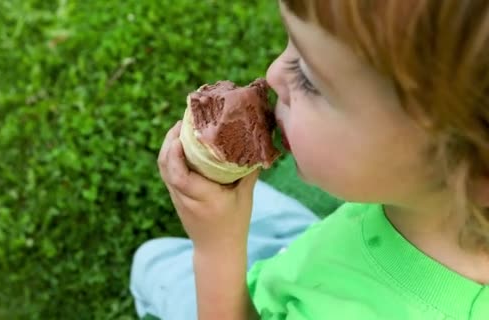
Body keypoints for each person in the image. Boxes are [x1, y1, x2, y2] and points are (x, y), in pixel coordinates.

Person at [131, 0, 489, 319]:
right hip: (306, 254)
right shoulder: (425, 193)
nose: (272, 74)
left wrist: (217, 250)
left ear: (474, 169)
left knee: (153, 261)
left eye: (310, 79)